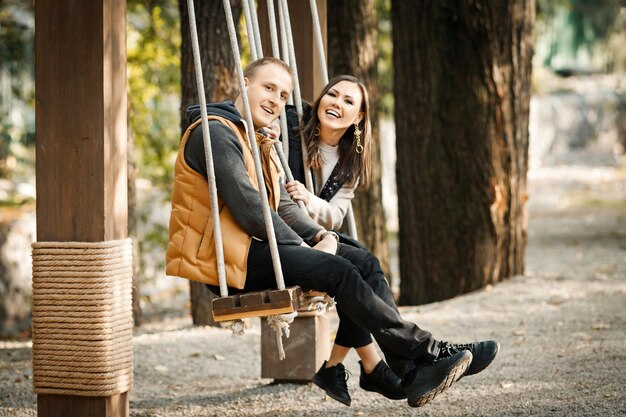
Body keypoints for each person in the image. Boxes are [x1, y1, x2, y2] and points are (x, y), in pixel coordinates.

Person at [166, 57, 499, 408]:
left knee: (362, 260)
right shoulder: (216, 132)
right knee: (340, 270)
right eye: (268, 88)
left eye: (283, 95)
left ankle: (410, 369)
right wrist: (308, 248)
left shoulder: (254, 137)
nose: (275, 100)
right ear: (243, 83)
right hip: (231, 262)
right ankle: (428, 352)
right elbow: (252, 210)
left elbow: (280, 202)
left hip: (256, 249)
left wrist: (319, 236)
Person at [281, 76, 498, 405]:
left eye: (349, 101)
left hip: (313, 234)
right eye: (332, 95)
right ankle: (411, 361)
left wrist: (310, 200)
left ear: (359, 117)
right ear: (321, 99)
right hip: (286, 235)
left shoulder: (348, 163)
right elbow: (258, 114)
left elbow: (335, 215)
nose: (337, 103)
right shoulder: (292, 126)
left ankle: (395, 368)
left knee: (366, 266)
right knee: (364, 266)